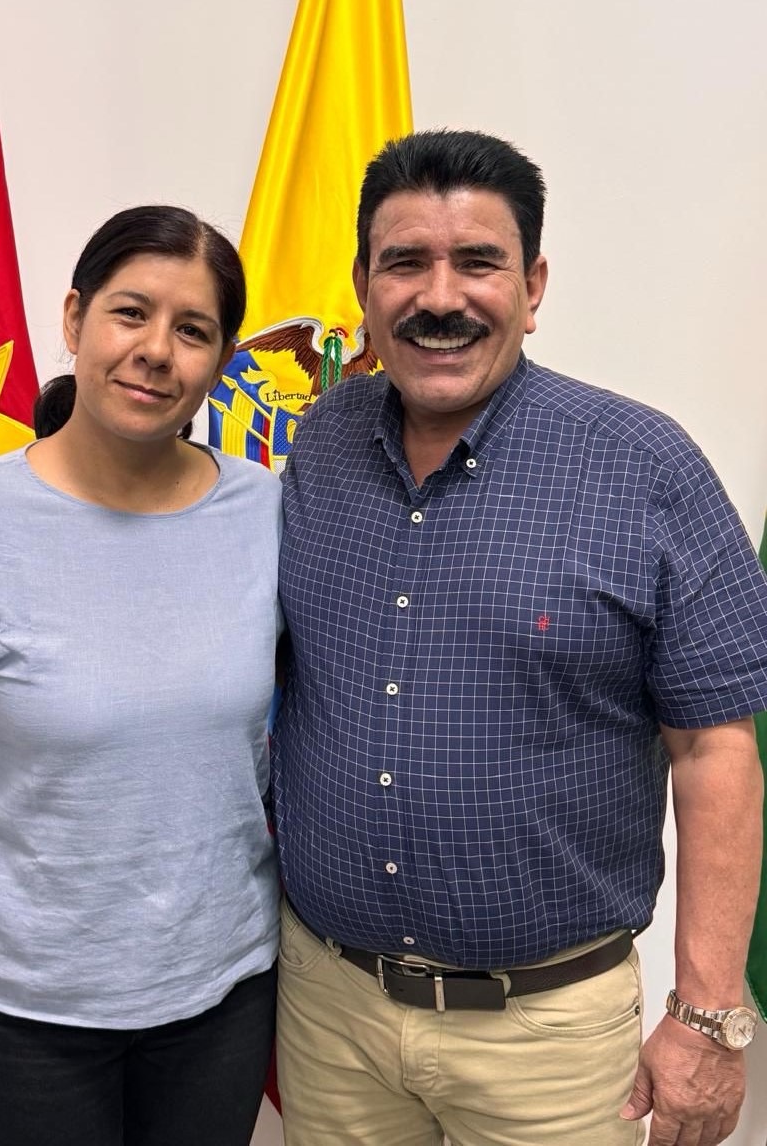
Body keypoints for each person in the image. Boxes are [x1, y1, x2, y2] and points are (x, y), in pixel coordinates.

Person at [272, 129, 767, 1146]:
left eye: (478, 262)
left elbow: (714, 750)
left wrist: (710, 1015)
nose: (439, 296)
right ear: (363, 287)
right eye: (404, 262)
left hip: (549, 1038)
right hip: (330, 1010)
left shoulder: (646, 467)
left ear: (532, 287)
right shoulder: (317, 444)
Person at [0, 205, 282, 1146]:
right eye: (131, 313)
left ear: (222, 360)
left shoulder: (268, 514)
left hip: (220, 995)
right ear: (75, 317)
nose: (156, 351)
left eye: (193, 330)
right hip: (24, 1009)